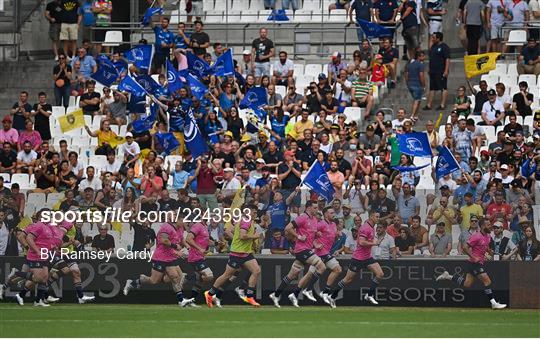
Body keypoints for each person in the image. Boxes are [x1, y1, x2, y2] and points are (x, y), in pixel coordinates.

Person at [123, 215, 195, 307]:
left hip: (171, 257)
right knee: (154, 281)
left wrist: (187, 246)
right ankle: (133, 282)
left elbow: (181, 239)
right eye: (185, 221)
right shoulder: (166, 227)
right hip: (160, 257)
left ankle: (181, 300)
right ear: (178, 220)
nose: (187, 223)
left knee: (175, 277)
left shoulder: (180, 229)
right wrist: (176, 247)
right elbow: (163, 240)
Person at [436, 219, 507, 309]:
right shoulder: (476, 236)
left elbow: (486, 247)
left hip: (477, 263)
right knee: (487, 280)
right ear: (482, 226)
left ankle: (448, 276)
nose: (490, 226)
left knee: (467, 284)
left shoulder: (488, 236)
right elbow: (465, 248)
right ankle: (493, 303)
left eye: (490, 224)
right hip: (474, 263)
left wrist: (491, 253)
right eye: (488, 225)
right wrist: (473, 257)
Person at [268, 201, 326, 308]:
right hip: (301, 250)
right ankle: (308, 290)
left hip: (307, 250)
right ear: (308, 208)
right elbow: (287, 228)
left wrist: (316, 240)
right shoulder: (303, 217)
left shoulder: (314, 220)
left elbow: (309, 237)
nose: (317, 209)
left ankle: (277, 294)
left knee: (291, 275)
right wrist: (298, 236)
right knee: (321, 266)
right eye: (315, 207)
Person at [205, 205, 261, 307]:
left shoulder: (245, 221)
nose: (255, 214)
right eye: (254, 212)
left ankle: (249, 296)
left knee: (256, 270)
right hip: (237, 254)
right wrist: (255, 236)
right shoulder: (246, 221)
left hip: (246, 253)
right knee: (227, 275)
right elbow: (242, 236)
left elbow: (233, 233)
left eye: (256, 212)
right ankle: (209, 294)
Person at [326, 211, 383, 306]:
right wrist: (374, 243)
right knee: (347, 279)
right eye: (376, 216)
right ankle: (332, 296)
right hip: (358, 258)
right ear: (371, 216)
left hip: (367, 257)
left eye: (378, 216)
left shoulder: (372, 227)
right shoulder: (365, 228)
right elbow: (361, 242)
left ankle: (369, 295)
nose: (378, 218)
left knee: (380, 274)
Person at [295, 207, 343, 305]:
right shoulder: (320, 224)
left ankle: (325, 292)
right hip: (318, 254)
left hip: (326, 253)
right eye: (331, 213)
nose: (333, 214)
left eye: (333, 212)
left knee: (338, 269)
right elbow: (311, 234)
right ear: (325, 214)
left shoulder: (333, 224)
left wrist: (337, 234)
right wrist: (315, 244)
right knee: (309, 275)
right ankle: (297, 293)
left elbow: (330, 235)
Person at [184, 220, 214, 305]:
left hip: (200, 257)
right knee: (209, 276)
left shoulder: (205, 227)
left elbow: (206, 241)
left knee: (201, 281)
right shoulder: (197, 225)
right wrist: (199, 248)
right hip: (195, 257)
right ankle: (187, 277)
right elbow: (188, 239)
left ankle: (191, 300)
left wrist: (215, 243)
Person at [424, 32, 450, 111]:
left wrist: (446, 70)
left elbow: (447, 59)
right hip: (433, 71)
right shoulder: (433, 47)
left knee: (443, 87)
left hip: (441, 70)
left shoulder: (444, 47)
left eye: (434, 38)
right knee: (432, 88)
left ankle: (442, 104)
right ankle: (429, 105)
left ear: (438, 38)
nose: (432, 39)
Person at [405, 50, 425, 121]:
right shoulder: (420, 65)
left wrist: (408, 83)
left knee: (418, 99)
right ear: (419, 57)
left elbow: (406, 75)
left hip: (410, 84)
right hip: (417, 84)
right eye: (422, 56)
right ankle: (412, 115)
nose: (424, 57)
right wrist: (423, 85)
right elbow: (421, 75)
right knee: (416, 100)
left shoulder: (410, 65)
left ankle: (416, 115)